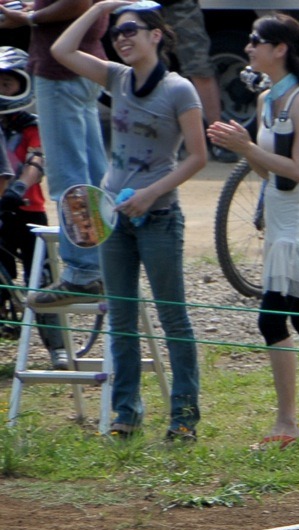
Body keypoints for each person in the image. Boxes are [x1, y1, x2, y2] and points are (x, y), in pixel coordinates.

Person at [52, 0, 207, 442]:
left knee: (173, 318)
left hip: (159, 218)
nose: (121, 38)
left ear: (156, 35)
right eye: (116, 32)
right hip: (113, 221)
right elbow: (63, 51)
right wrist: (101, 6)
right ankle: (126, 414)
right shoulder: (116, 78)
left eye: (131, 30)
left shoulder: (179, 90)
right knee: (120, 319)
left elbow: (198, 156)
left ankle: (183, 418)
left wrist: (151, 193)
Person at [207, 14, 299, 448]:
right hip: (278, 219)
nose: (248, 48)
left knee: (285, 317)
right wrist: (243, 147)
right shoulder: (267, 100)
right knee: (296, 317)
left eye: (256, 41)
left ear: (280, 49)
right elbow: (263, 169)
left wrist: (247, 147)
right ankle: (298, 420)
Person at [0, 0, 108, 310]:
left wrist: (29, 16)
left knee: (69, 177)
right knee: (91, 173)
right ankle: (101, 263)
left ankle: (84, 272)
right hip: (81, 65)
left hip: (62, 72)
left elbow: (75, 2)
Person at [0, 46, 69, 369]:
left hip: (28, 213)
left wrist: (17, 188)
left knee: (41, 281)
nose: (2, 90)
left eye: (7, 84)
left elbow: (36, 160)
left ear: (23, 85)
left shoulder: (32, 125)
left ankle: (57, 347)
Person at [159, 0, 237, 162]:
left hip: (179, 5)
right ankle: (163, 137)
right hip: (143, 7)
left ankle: (218, 137)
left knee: (200, 69)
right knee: (152, 68)